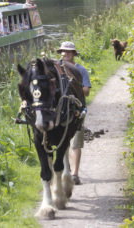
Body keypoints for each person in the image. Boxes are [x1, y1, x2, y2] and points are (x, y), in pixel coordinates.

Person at [56, 41, 91, 185]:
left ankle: (75, 174)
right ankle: (66, 169)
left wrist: (72, 86)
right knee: (62, 143)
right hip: (61, 112)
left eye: (69, 51)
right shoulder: (56, 69)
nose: (66, 54)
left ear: (74, 54)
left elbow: (87, 91)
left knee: (76, 143)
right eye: (64, 51)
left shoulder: (80, 70)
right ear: (61, 53)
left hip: (76, 110)